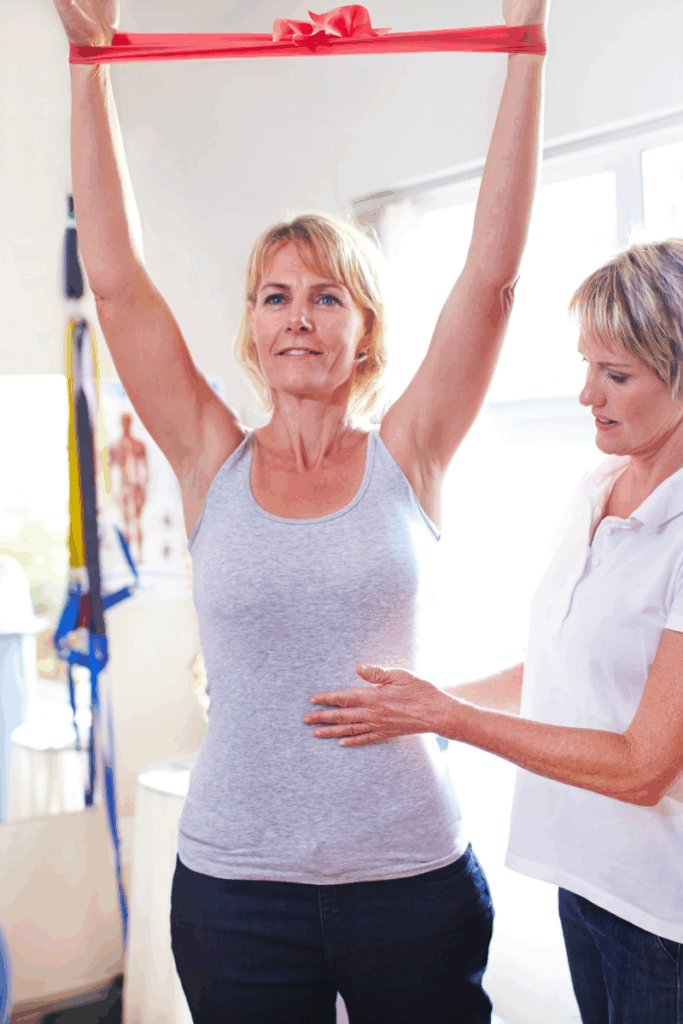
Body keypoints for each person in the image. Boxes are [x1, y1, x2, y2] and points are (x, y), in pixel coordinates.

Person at [53, 0, 548, 1019]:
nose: (297, 317)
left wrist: (523, 44)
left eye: (326, 295)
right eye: (273, 295)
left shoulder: (409, 451)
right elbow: (117, 284)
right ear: (249, 324)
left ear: (362, 329)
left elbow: (490, 281)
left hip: (409, 877)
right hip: (237, 891)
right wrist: (89, 65)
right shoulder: (208, 458)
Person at [305, 238, 683, 1023]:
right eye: (586, 366)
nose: (586, 395)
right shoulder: (599, 484)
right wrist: (414, 706)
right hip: (586, 882)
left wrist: (450, 720)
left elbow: (643, 766)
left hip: (664, 912)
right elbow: (553, 667)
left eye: (615, 376)